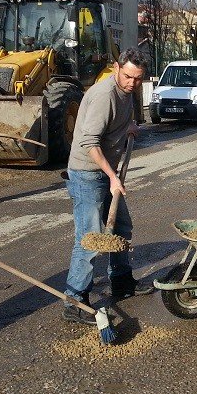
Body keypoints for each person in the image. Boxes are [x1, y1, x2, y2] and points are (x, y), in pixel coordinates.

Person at [63, 48, 154, 325]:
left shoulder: (127, 92)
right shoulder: (105, 95)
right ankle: (75, 300)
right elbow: (89, 142)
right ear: (116, 67)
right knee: (90, 238)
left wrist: (128, 127)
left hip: (105, 172)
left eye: (138, 79)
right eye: (127, 76)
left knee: (121, 227)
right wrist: (112, 177)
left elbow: (114, 125)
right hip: (87, 173)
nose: (132, 83)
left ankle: (122, 281)